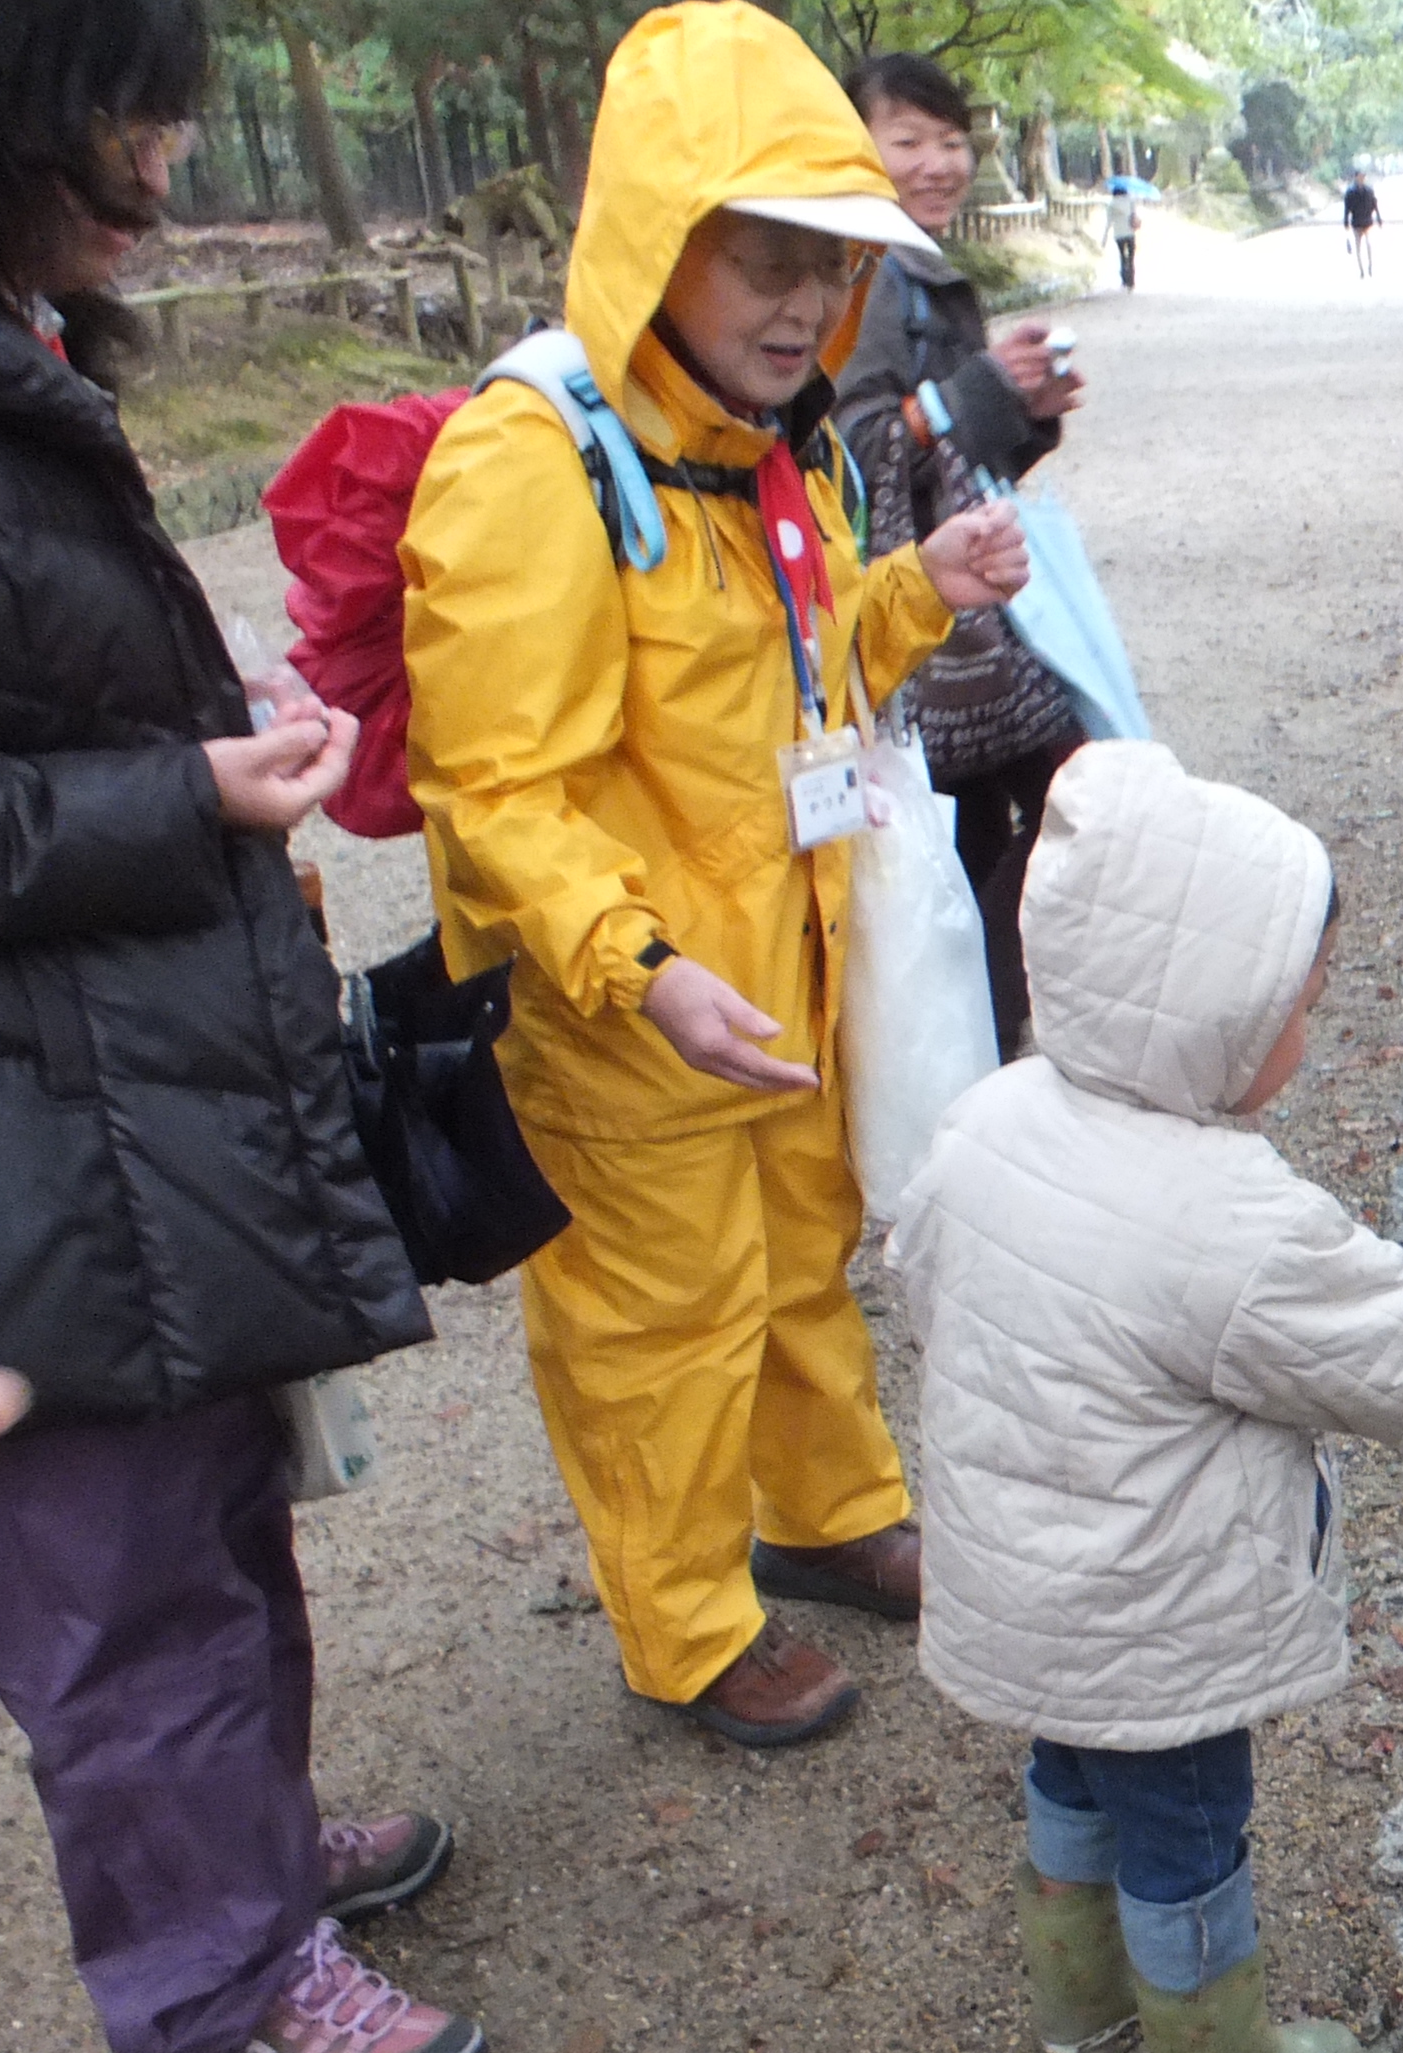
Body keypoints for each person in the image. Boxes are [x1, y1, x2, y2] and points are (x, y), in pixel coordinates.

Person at [403, 2, 1030, 1753]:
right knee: (656, 1321)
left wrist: (923, 586)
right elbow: (495, 783)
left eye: (824, 268)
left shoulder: (774, 445)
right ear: (652, 235)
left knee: (800, 1259)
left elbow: (808, 667)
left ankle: (831, 1515)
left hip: (779, 970)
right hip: (631, 1009)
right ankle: (682, 1625)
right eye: (753, 256)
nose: (794, 303)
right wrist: (638, 962)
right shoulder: (532, 457)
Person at [890, 742, 1403, 2053]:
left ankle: (1078, 2002)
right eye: (1297, 1009)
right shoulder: (1226, 1221)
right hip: (1158, 1611)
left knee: (1069, 1774)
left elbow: (921, 1278)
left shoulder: (985, 1120)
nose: (1311, 1035)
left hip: (1028, 1577)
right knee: (1190, 1826)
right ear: (1210, 1017)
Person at [0, 0, 481, 2053]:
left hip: (116, 1080)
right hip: (25, 1121)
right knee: (113, 1575)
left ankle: (254, 1859)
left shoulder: (31, 352)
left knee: (213, 1509)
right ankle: (211, 1979)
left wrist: (211, 745)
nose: (173, 156)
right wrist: (194, 793)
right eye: (136, 111)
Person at [837, 50, 1086, 1058]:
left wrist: (1021, 411)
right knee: (1070, 802)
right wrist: (976, 394)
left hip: (960, 614)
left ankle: (980, 1050)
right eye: (908, 141)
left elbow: (949, 461)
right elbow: (853, 460)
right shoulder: (859, 278)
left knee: (987, 831)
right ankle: (980, 1049)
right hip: (912, 622)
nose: (937, 162)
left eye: (951, 141)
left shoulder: (925, 274)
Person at [1342, 171, 1380, 278]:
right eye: (1360, 176)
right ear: (1356, 177)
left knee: (1369, 244)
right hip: (1356, 223)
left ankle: (1370, 266)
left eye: (1363, 177)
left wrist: (1378, 217)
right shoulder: (1350, 192)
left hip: (1368, 222)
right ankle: (1361, 270)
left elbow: (1374, 204)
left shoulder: (1369, 190)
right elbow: (1347, 208)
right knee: (1358, 247)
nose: (1362, 178)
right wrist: (1346, 221)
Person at [1112, 182, 1141, 292]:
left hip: (1118, 234)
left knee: (1122, 257)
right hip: (1130, 233)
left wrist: (1104, 239)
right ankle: (1131, 281)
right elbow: (1134, 215)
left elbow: (1109, 221)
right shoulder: (1130, 201)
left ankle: (1124, 280)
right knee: (1131, 257)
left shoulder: (1112, 204)